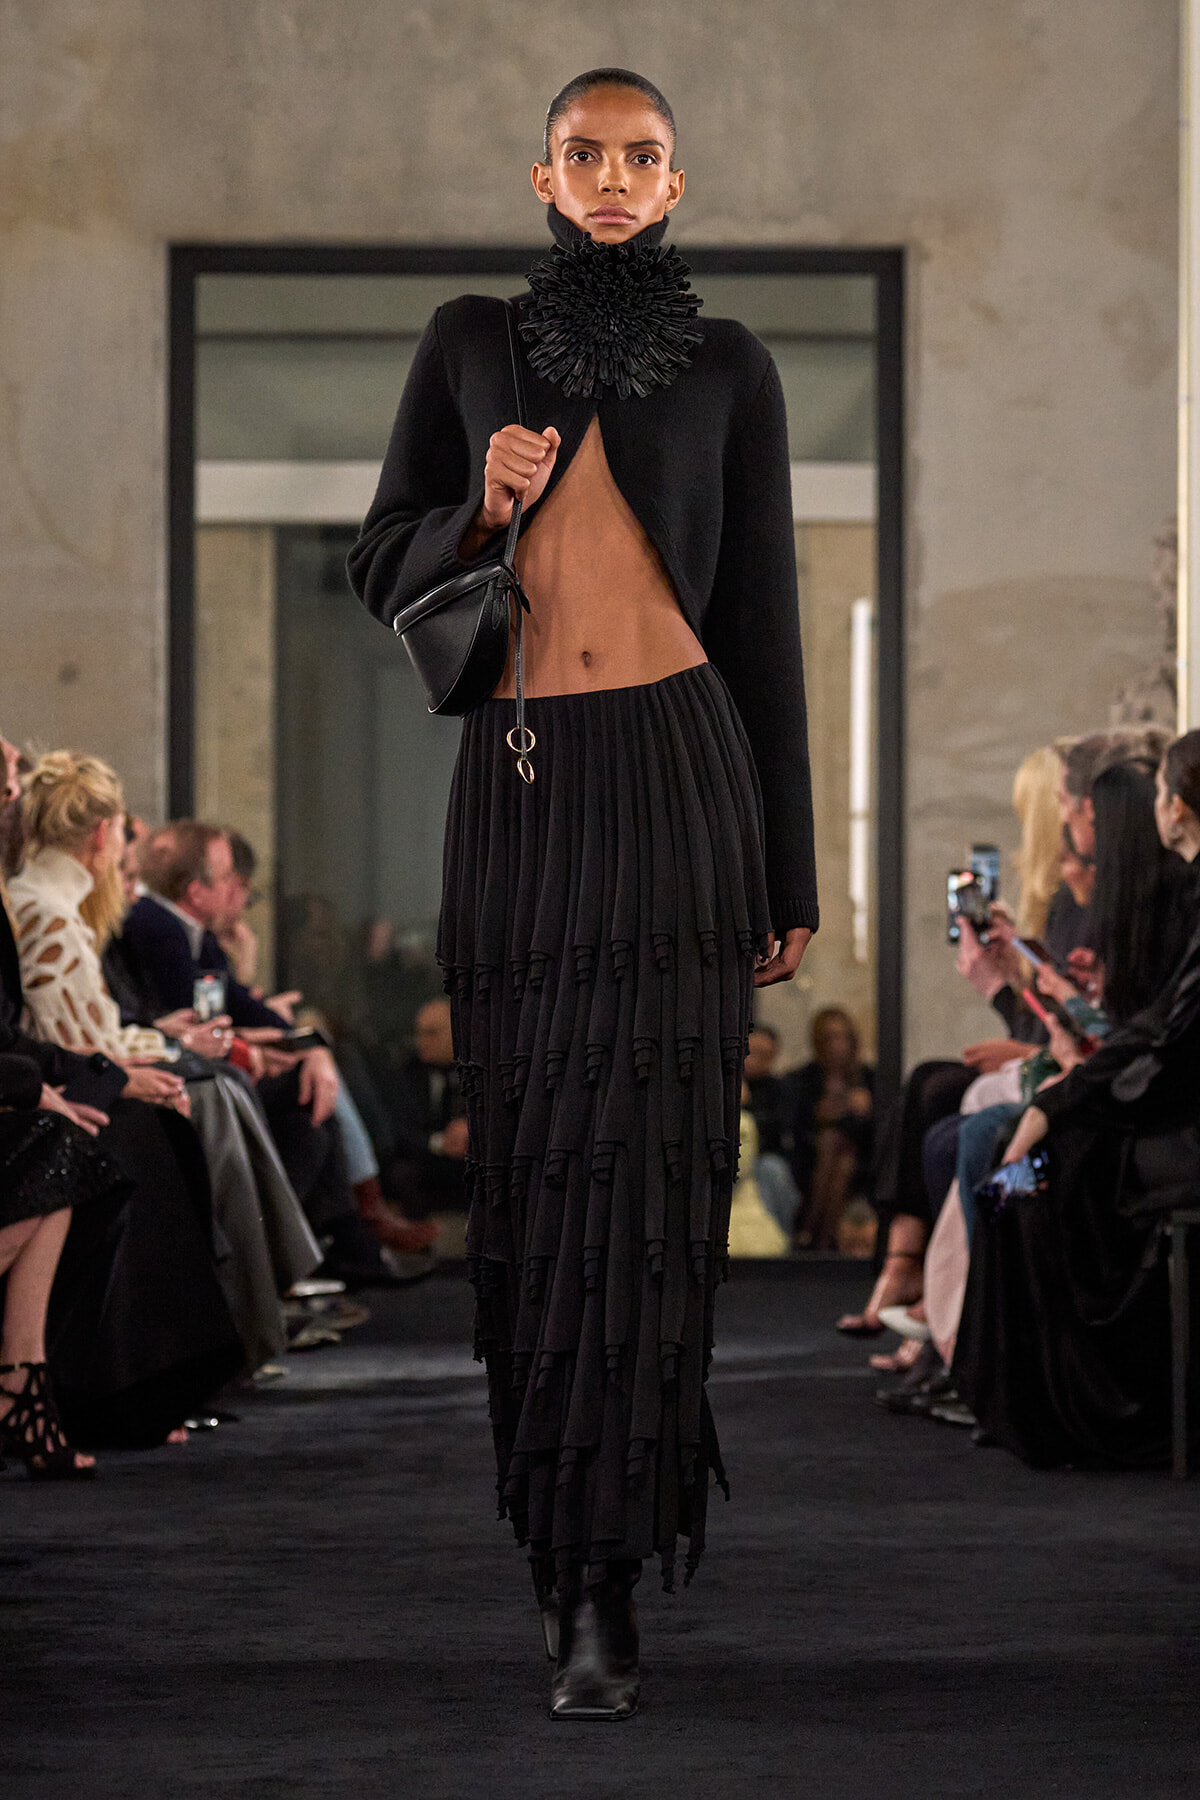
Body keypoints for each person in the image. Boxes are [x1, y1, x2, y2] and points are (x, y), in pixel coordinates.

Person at [347, 70, 817, 1719]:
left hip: (687, 782)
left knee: (657, 1189)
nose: (613, 175)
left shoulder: (733, 364)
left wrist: (790, 866)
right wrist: (480, 503)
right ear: (542, 175)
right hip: (529, 784)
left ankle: (617, 1581)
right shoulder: (469, 339)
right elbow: (382, 557)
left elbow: (764, 624)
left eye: (642, 156)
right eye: (585, 154)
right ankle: (561, 1570)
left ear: (675, 181)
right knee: (544, 1182)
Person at [956, 731, 1200, 1466]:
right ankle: (1005, 1386)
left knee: (1023, 1178)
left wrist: (1058, 1106)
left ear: (1178, 807)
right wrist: (1059, 1104)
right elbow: (1156, 1031)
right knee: (1012, 1172)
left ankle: (1062, 1402)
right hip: (1155, 1115)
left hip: (1175, 1135)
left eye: (1163, 791)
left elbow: (1166, 1040)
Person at [790, 1007, 874, 1250]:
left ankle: (812, 1232)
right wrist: (819, 1115)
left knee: (841, 1156)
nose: (837, 1045)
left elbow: (878, 1133)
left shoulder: (868, 1078)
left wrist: (865, 1111)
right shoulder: (804, 1079)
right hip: (811, 1161)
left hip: (859, 1162)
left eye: (843, 1037)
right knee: (831, 1143)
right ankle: (824, 1239)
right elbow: (795, 1128)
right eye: (829, 1038)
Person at [387, 998, 468, 1217]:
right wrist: (441, 1143)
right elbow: (401, 1130)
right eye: (419, 1033)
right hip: (429, 1157)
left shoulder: (479, 1067)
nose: (422, 1042)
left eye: (431, 1033)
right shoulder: (409, 1071)